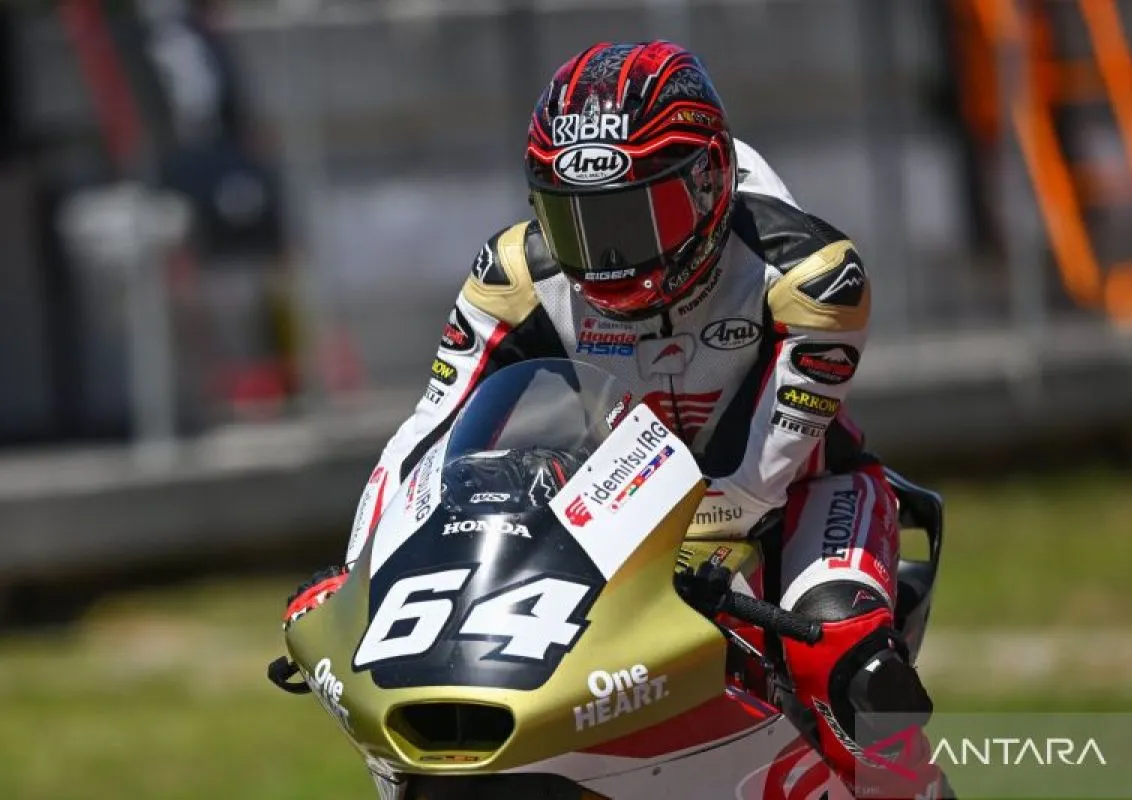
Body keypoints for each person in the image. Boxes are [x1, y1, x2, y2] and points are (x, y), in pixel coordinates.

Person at [284, 41, 950, 799]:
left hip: (803, 498)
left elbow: (751, 486)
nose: (607, 256)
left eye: (640, 216)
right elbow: (423, 438)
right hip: (622, 524)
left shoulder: (812, 280)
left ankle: (912, 787)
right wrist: (362, 574)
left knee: (845, 655)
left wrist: (618, 554)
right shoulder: (511, 277)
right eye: (577, 221)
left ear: (708, 181)